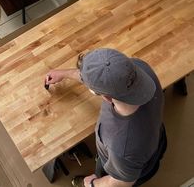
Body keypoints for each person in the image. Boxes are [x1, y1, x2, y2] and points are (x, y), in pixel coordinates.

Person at [45, 48, 167, 187]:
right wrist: (65, 74)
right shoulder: (139, 68)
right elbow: (110, 77)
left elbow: (121, 182)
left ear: (107, 97)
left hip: (127, 167)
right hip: (155, 140)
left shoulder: (122, 147)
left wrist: (92, 183)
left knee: (100, 175)